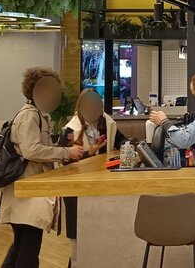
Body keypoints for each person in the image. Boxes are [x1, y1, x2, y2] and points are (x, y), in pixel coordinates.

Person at [0, 67, 84, 268]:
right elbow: (31, 150)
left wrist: (63, 150)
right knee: (28, 249)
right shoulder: (30, 116)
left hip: (28, 189)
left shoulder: (37, 115)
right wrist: (65, 153)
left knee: (21, 246)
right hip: (27, 189)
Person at [60, 89, 126, 267]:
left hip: (100, 185)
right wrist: (89, 153)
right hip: (77, 188)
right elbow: (64, 159)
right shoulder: (71, 130)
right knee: (78, 235)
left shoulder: (107, 124)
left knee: (99, 232)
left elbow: (121, 140)